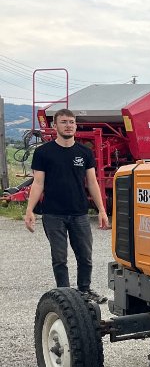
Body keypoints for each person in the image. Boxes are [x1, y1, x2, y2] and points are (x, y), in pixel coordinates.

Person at [24, 109, 110, 305]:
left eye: (71, 122)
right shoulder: (43, 152)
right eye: (63, 122)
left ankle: (85, 290)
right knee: (59, 258)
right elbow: (38, 183)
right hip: (53, 214)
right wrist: (29, 210)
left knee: (85, 256)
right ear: (55, 126)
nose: (68, 125)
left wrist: (102, 210)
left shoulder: (84, 152)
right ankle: (65, 295)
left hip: (79, 213)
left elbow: (92, 182)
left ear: (76, 126)